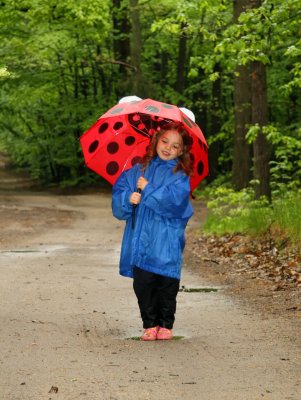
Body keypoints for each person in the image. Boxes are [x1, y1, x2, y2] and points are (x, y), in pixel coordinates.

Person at [112, 122, 194, 341]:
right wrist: (128, 199)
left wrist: (148, 189)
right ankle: (149, 323)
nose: (168, 148)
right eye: (165, 141)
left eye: (175, 146)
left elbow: (175, 203)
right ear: (156, 140)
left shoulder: (180, 175)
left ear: (182, 150)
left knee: (166, 283)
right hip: (141, 239)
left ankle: (166, 323)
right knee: (143, 283)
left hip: (166, 239)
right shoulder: (138, 170)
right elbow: (119, 196)